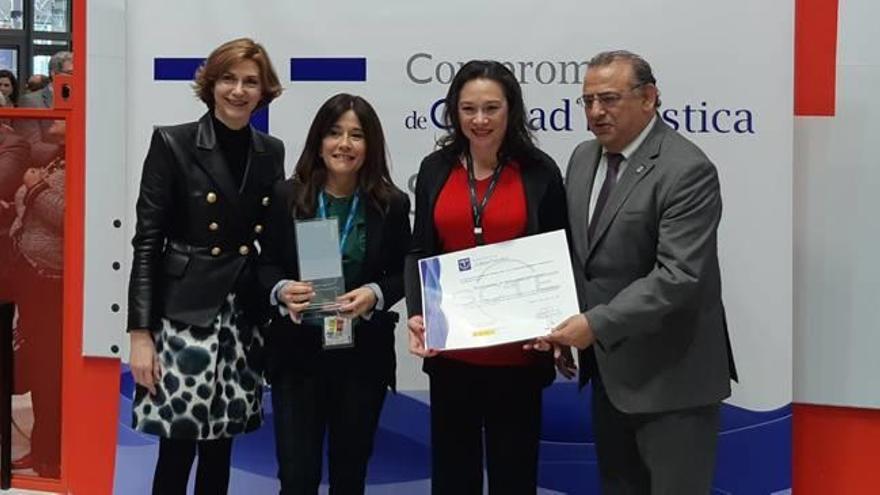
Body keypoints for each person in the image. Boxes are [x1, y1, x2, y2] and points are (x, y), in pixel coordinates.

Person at [534, 50, 737, 494]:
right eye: (587, 101)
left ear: (649, 98)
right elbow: (582, 260)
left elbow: (679, 276)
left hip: (673, 383)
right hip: (609, 375)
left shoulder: (687, 170)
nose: (595, 112)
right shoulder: (583, 159)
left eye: (608, 99)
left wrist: (592, 324)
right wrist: (559, 322)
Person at [126, 38, 284, 495]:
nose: (238, 90)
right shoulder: (172, 143)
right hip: (183, 317)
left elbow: (272, 236)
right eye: (228, 79)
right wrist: (141, 334)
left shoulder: (271, 150)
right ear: (210, 84)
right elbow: (147, 243)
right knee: (177, 450)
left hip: (241, 315)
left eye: (250, 81)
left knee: (222, 450)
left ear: (263, 91)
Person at [404, 60, 568, 494]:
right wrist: (419, 315)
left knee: (514, 478)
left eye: (491, 108)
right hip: (453, 356)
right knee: (453, 478)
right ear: (454, 112)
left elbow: (557, 258)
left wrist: (557, 327)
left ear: (511, 110)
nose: (480, 120)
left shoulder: (540, 171)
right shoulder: (436, 168)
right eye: (468, 108)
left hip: (518, 358)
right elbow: (419, 250)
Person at [258, 93, 411, 494]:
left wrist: (375, 293)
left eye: (356, 135)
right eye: (334, 133)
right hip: (297, 355)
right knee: (296, 476)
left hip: (361, 357)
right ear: (318, 140)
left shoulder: (391, 204)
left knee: (350, 474)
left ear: (370, 145)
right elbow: (264, 263)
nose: (344, 144)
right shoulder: (286, 196)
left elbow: (404, 270)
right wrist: (280, 289)